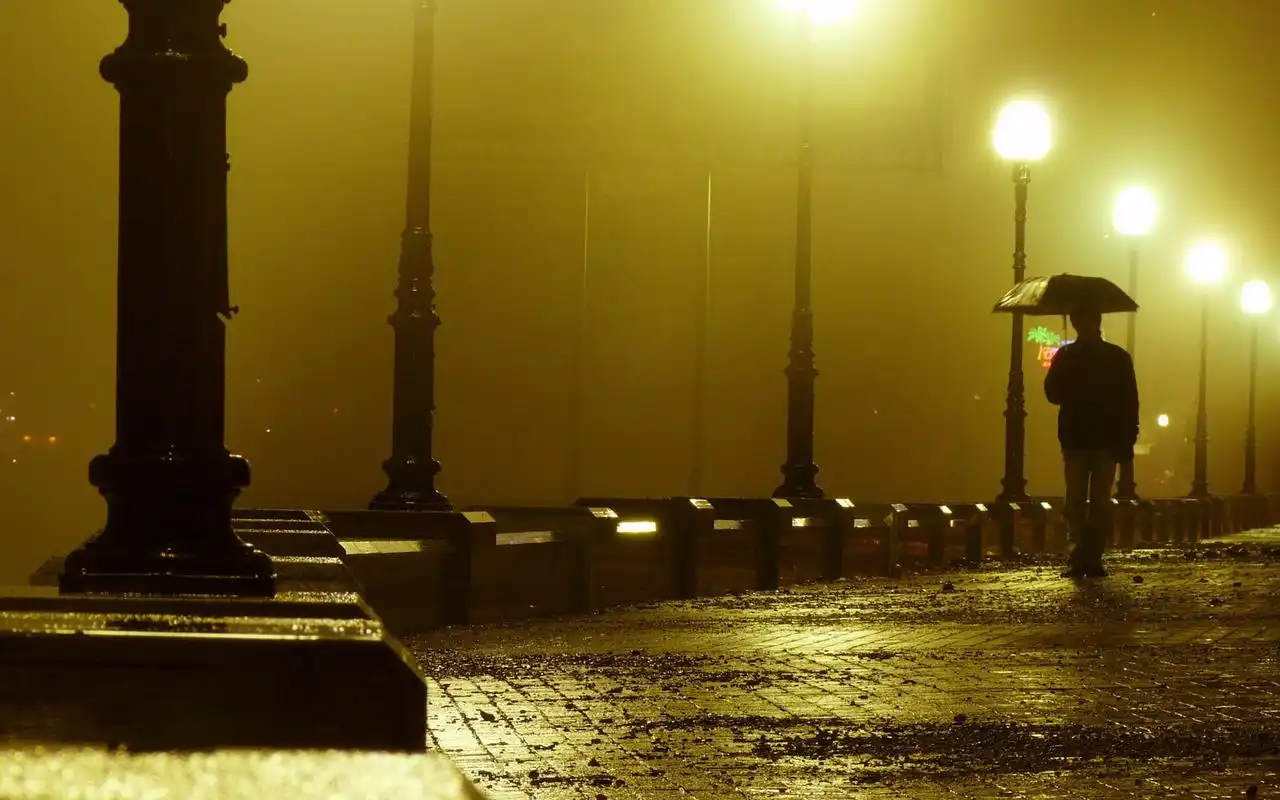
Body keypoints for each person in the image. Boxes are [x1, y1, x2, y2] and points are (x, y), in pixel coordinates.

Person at [1044, 307, 1139, 578]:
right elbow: (1129, 401)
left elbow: (1053, 393)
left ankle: (1083, 556)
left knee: (1080, 502)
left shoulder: (1069, 356)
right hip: (1098, 440)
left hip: (1081, 438)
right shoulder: (1116, 357)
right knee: (1095, 502)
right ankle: (1090, 557)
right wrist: (1128, 436)